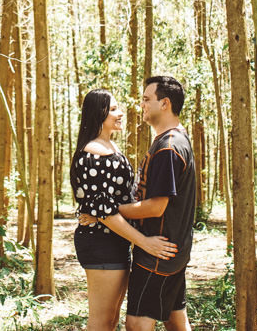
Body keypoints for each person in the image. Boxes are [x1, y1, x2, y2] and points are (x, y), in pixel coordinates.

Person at [81, 76, 197, 331]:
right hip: (172, 248)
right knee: (176, 319)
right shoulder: (175, 139)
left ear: (164, 103)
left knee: (136, 324)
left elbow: (156, 206)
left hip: (157, 252)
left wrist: (105, 211)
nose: (141, 104)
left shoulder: (168, 147)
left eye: (146, 99)